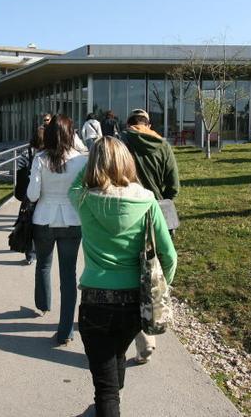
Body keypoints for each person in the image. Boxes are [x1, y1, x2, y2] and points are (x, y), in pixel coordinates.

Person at [69, 136, 177, 417]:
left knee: (104, 387)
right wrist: (160, 290)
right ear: (128, 162)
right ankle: (110, 405)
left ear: (93, 166)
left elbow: (75, 184)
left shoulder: (84, 199)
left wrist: (92, 160)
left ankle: (108, 408)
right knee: (117, 355)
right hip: (133, 303)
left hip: (95, 300)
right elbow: (170, 256)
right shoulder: (147, 201)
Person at [118, 108, 181, 364]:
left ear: (129, 124)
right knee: (155, 271)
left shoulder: (123, 142)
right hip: (159, 215)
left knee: (134, 274)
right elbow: (173, 186)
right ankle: (153, 317)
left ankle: (144, 337)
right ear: (148, 123)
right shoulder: (163, 145)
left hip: (130, 212)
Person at [27, 115, 88, 345]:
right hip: (72, 220)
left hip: (44, 218)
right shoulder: (81, 161)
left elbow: (32, 195)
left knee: (43, 264)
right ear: (71, 134)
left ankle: (43, 304)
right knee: (68, 275)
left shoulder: (40, 158)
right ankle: (65, 331)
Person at [14, 125, 45, 265]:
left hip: (29, 193)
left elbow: (20, 174)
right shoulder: (47, 153)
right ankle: (40, 251)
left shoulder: (26, 153)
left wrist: (21, 195)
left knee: (28, 222)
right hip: (44, 193)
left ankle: (30, 254)